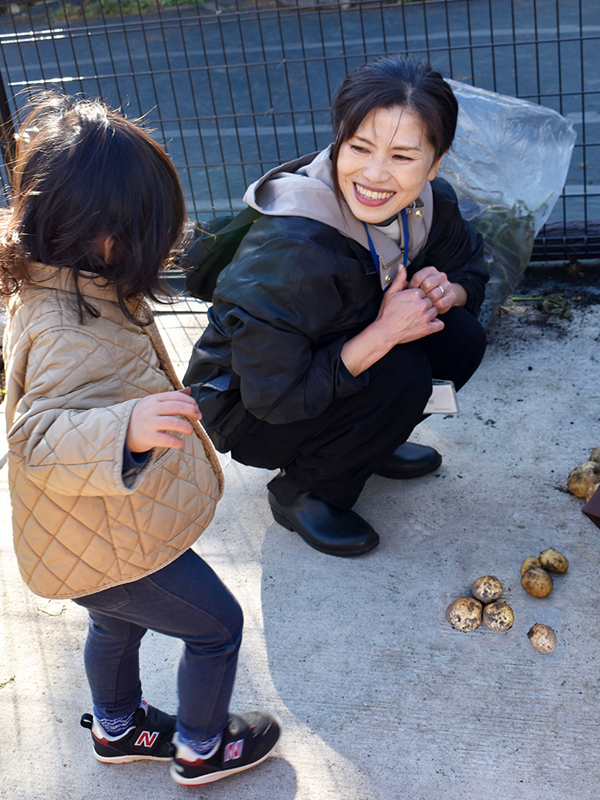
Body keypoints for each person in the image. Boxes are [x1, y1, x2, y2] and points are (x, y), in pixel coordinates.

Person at [0, 93, 279, 787]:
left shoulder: (70, 284)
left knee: (116, 625)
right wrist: (124, 427)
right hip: (107, 543)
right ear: (99, 232)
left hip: (95, 530)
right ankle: (202, 748)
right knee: (217, 627)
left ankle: (118, 727)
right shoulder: (65, 325)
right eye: (151, 231)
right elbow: (35, 436)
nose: (163, 246)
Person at [184, 55, 488, 559]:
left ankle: (370, 443)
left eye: (402, 156)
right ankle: (305, 491)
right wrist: (385, 333)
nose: (375, 175)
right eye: (360, 147)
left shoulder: (427, 204)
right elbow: (275, 398)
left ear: (435, 163)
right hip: (251, 408)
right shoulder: (294, 249)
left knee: (460, 336)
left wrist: (446, 291)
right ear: (339, 141)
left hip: (326, 357)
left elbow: (471, 268)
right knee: (403, 373)